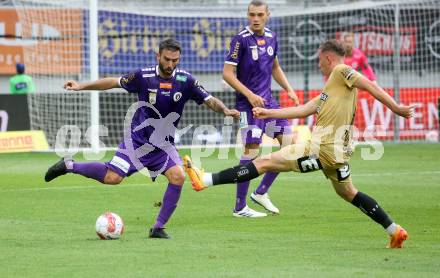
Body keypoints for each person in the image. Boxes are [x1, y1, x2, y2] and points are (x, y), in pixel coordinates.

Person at [184, 39, 413, 248]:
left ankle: (204, 180)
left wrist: (396, 108)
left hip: (322, 149)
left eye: (319, 60)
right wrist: (267, 112)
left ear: (328, 58)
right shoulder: (332, 88)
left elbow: (370, 85)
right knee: (349, 193)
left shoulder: (341, 71)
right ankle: (395, 231)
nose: (318, 65)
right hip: (339, 154)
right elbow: (304, 109)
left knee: (263, 161)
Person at [44, 38, 239, 239]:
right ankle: (69, 165)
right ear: (158, 56)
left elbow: (208, 99)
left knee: (178, 176)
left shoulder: (186, 80)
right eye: (167, 59)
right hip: (137, 142)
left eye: (175, 60)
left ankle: (158, 228)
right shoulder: (143, 77)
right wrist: (81, 86)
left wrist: (224, 109)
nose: (170, 64)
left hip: (163, 146)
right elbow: (113, 81)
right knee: (113, 178)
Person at [222, 0, 299, 217]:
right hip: (247, 106)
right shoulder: (240, 40)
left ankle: (261, 192)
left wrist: (289, 89)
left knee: (290, 146)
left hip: (269, 104)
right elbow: (227, 74)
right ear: (248, 15)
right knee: (252, 151)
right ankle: (239, 207)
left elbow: (275, 66)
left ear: (267, 15)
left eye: (259, 15)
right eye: (252, 15)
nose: (255, 19)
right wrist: (249, 95)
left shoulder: (272, 37)